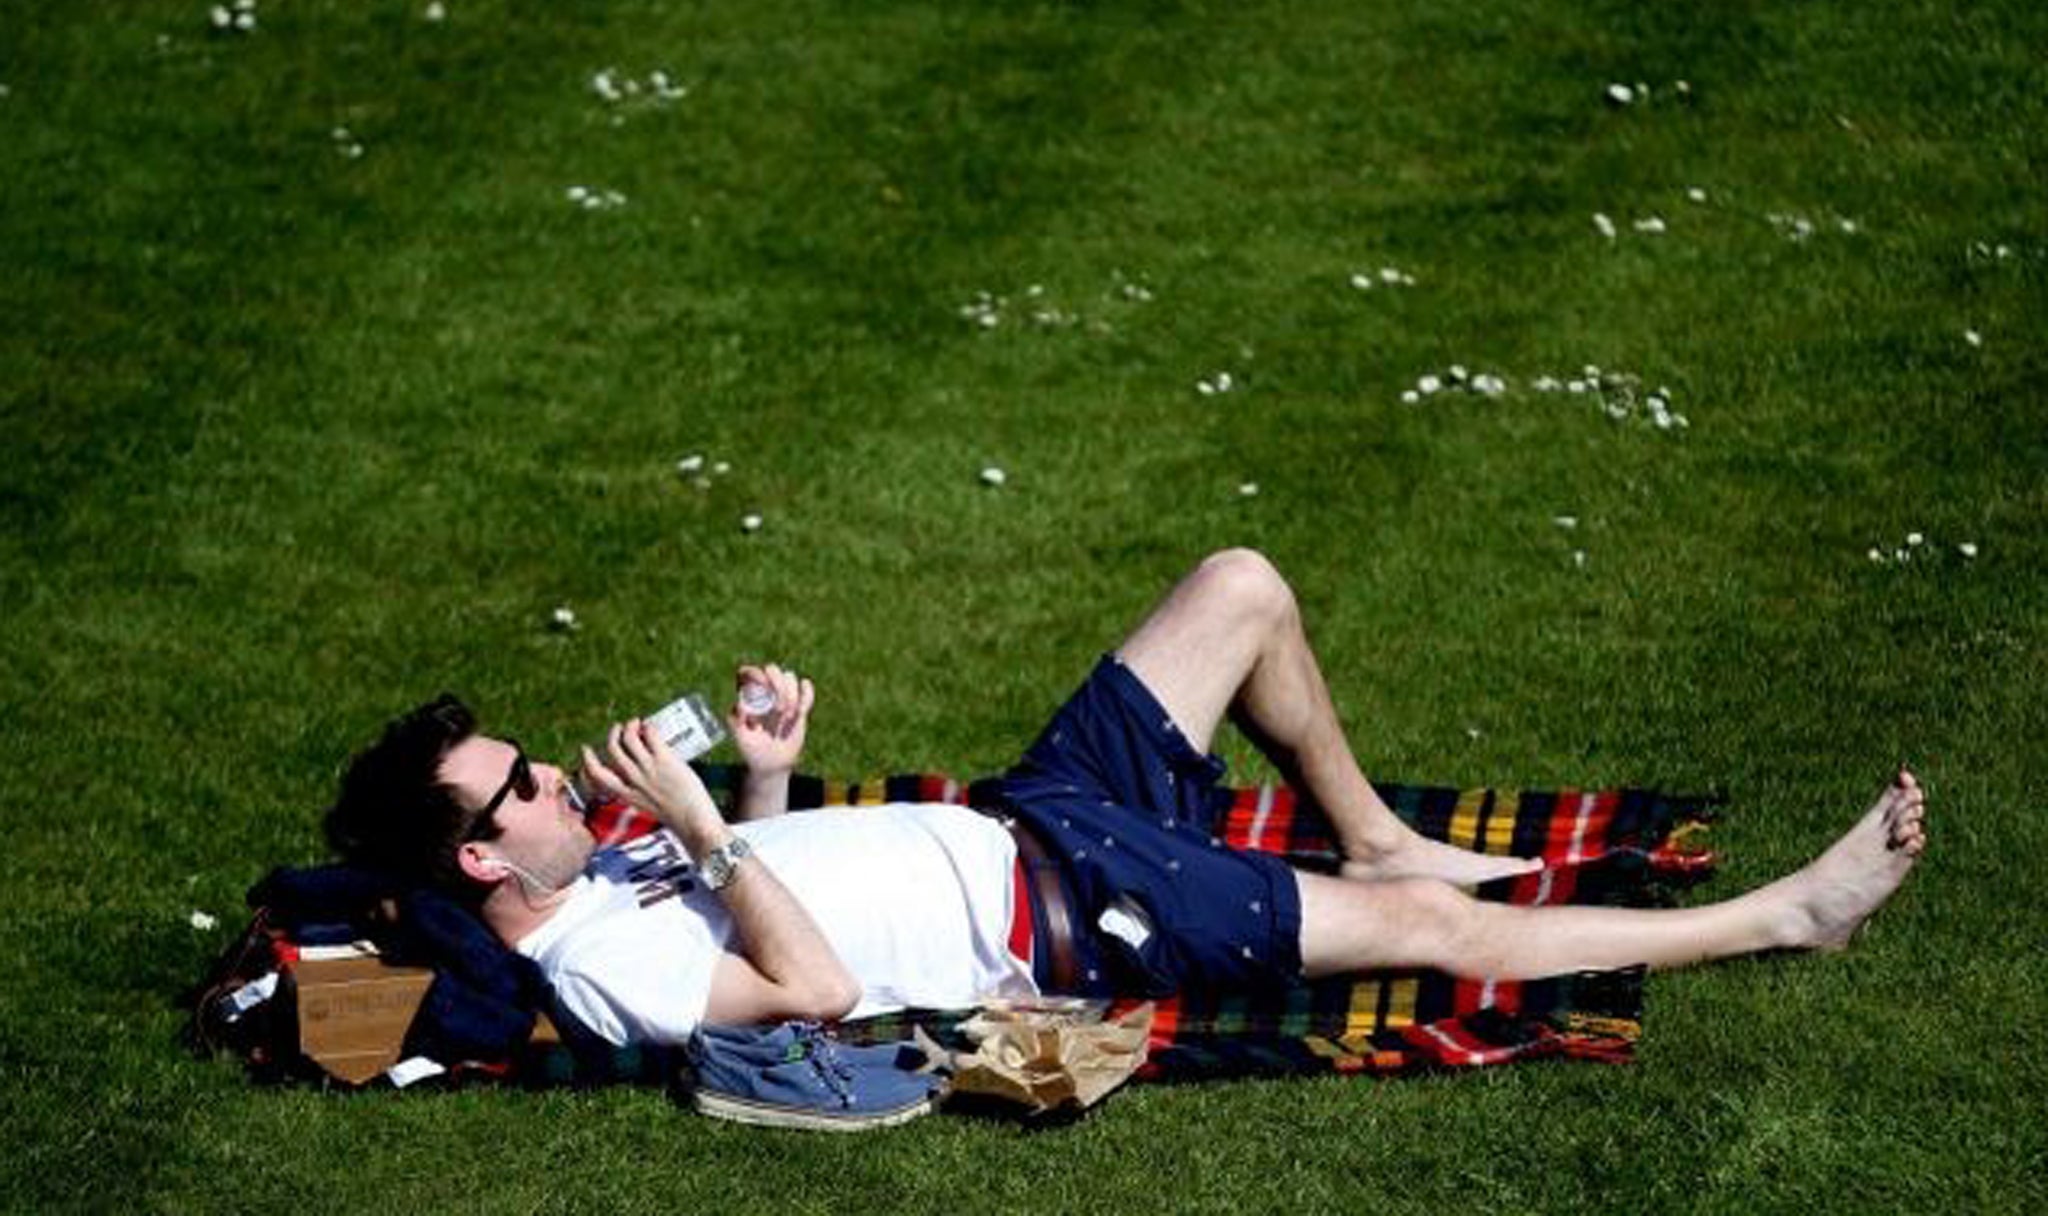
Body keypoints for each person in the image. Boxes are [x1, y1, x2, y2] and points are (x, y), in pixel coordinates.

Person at [325, 549, 1927, 1048]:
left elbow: (784, 867)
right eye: (520, 786)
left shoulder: (600, 868)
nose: (553, 777)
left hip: (1039, 810)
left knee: (1240, 586)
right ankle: (1790, 913)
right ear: (482, 855)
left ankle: (1364, 819)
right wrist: (709, 827)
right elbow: (806, 983)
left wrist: (760, 760)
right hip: (1076, 912)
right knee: (1437, 930)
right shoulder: (601, 969)